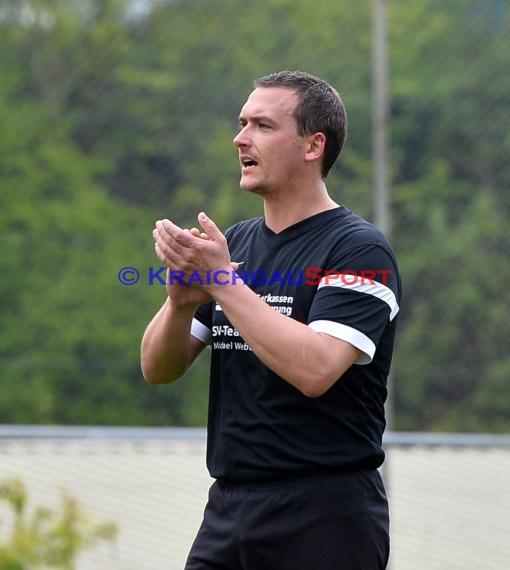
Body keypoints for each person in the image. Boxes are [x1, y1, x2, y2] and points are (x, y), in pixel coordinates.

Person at [141, 70, 401, 570]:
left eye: (262, 125)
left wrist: (223, 283)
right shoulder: (233, 246)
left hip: (325, 517)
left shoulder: (359, 249)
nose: (240, 138)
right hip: (228, 511)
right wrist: (178, 304)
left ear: (313, 146)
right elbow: (158, 368)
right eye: (242, 123)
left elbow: (316, 370)